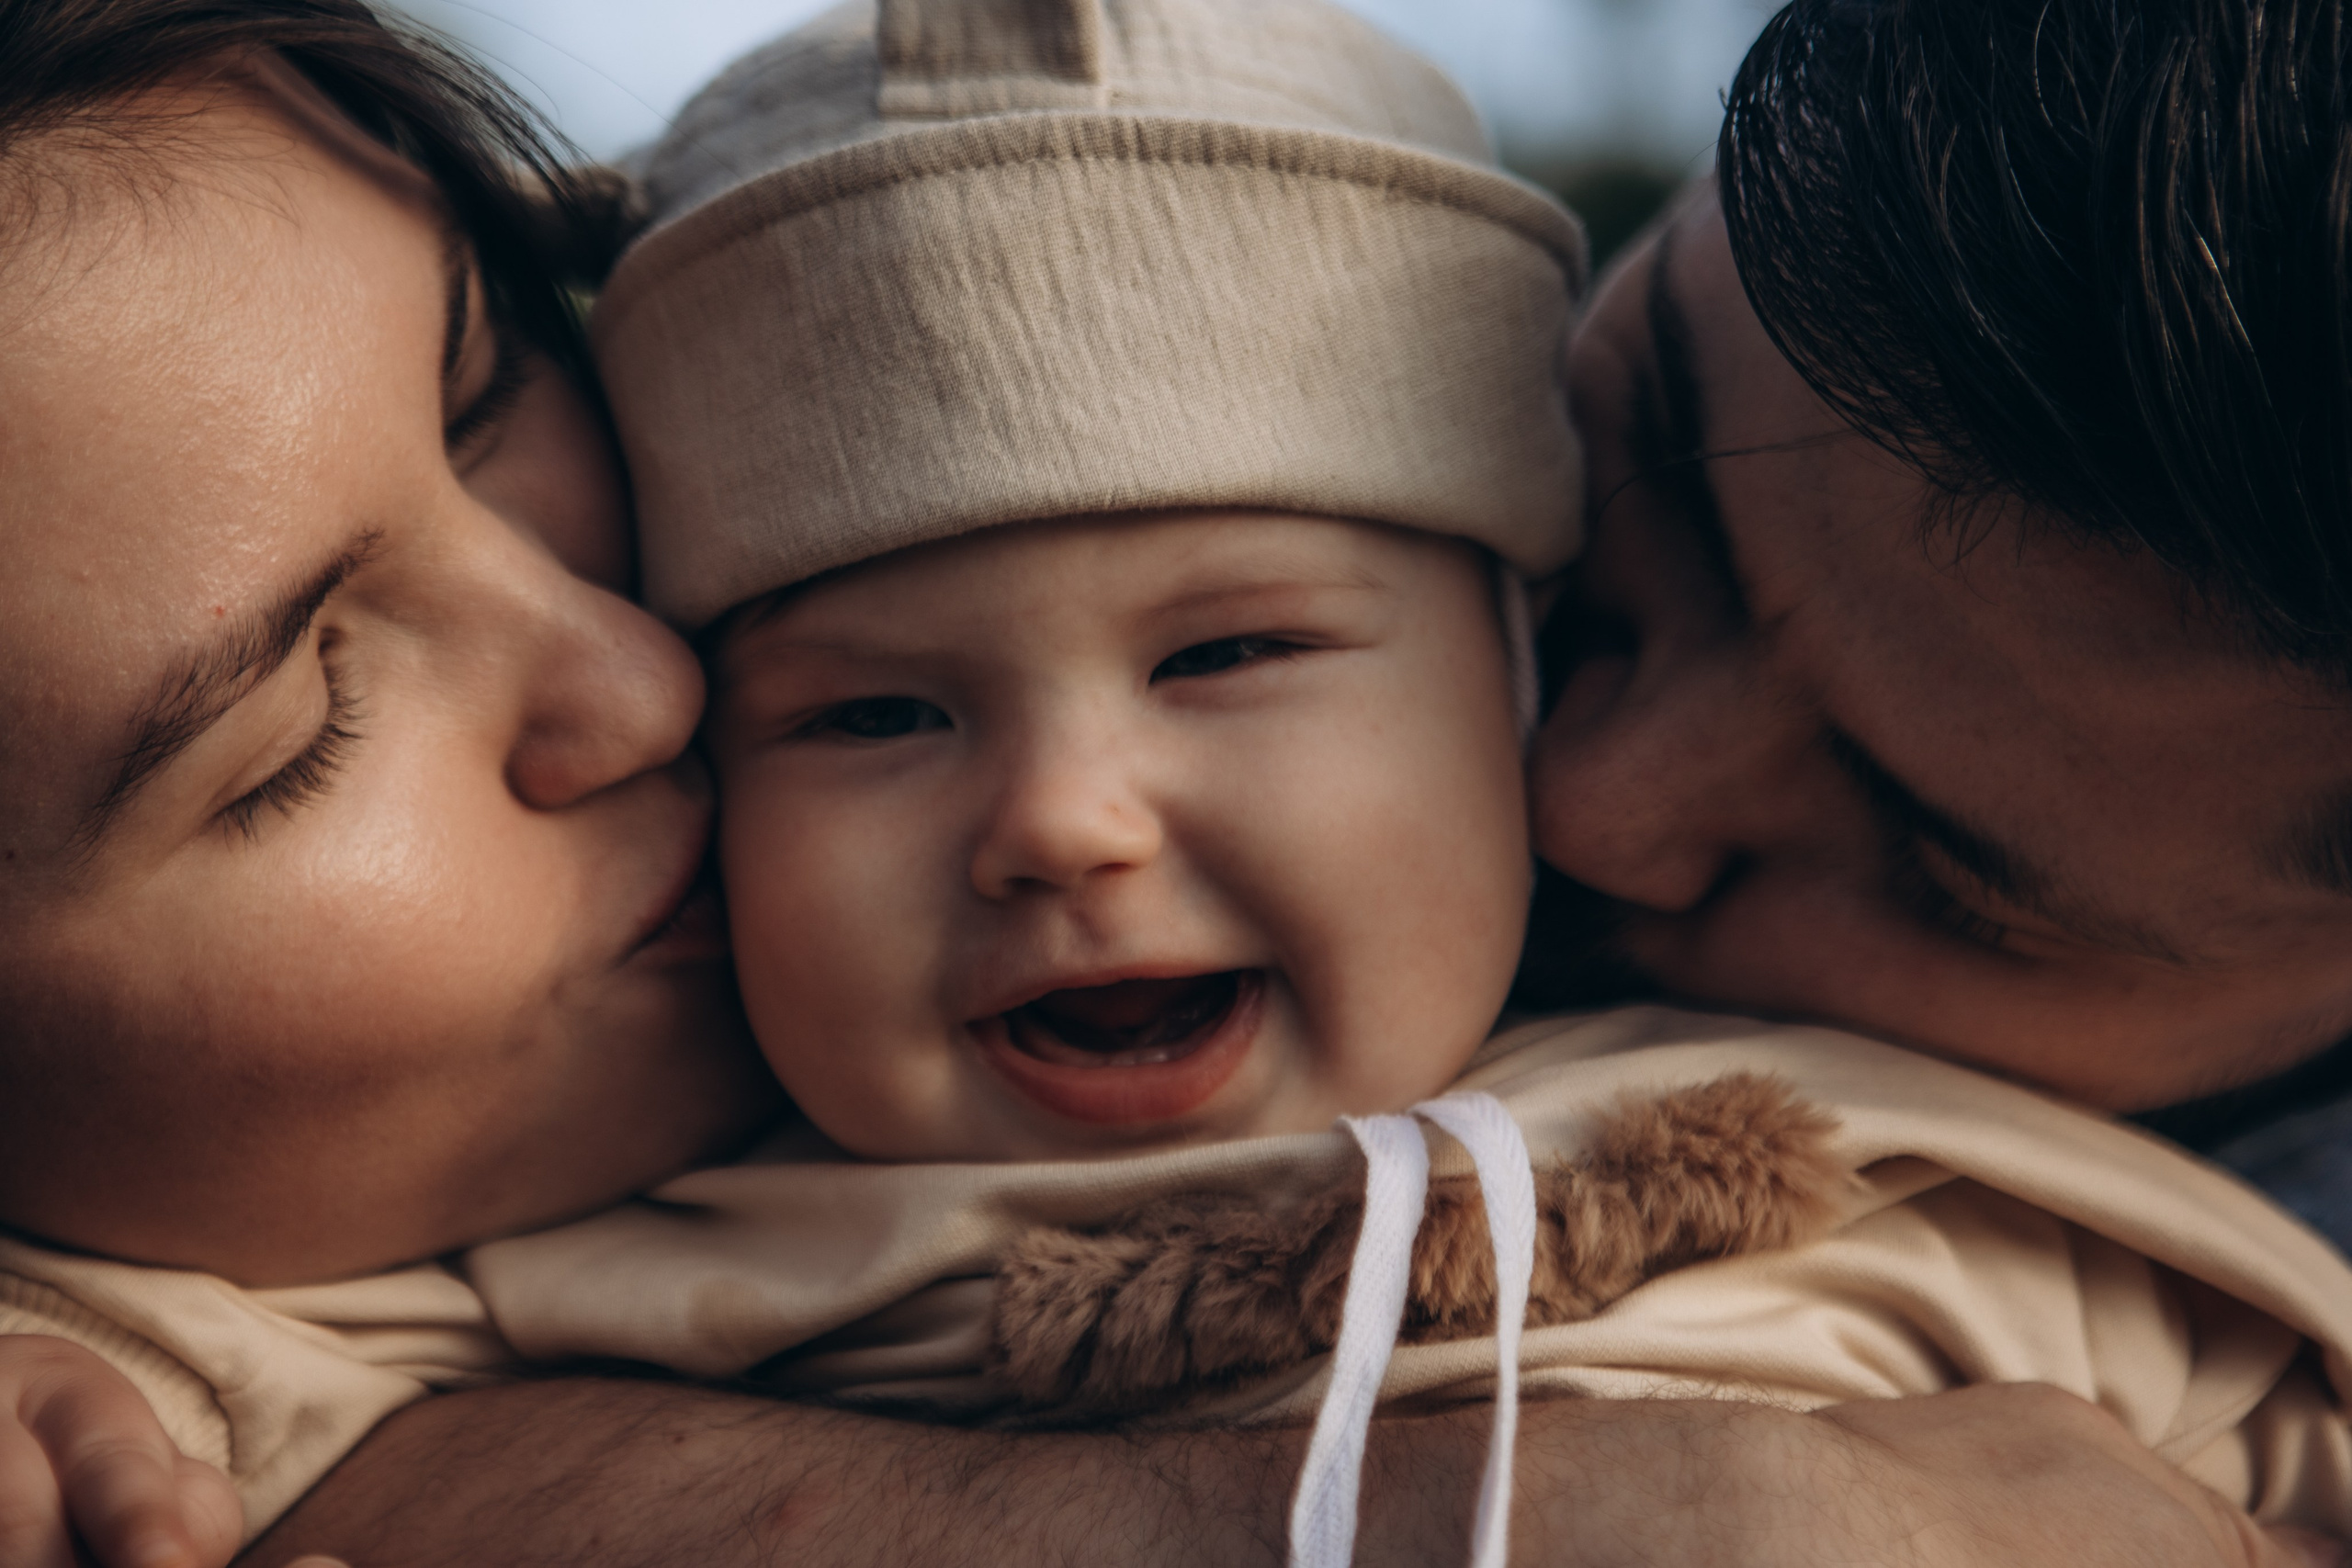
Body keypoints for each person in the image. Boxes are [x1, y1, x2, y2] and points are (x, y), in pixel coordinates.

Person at [0, 3, 2330, 1568]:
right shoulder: (642, 1164)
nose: (1587, 796)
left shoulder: (2081, 1261)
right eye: (1631, 527)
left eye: (1942, 858)